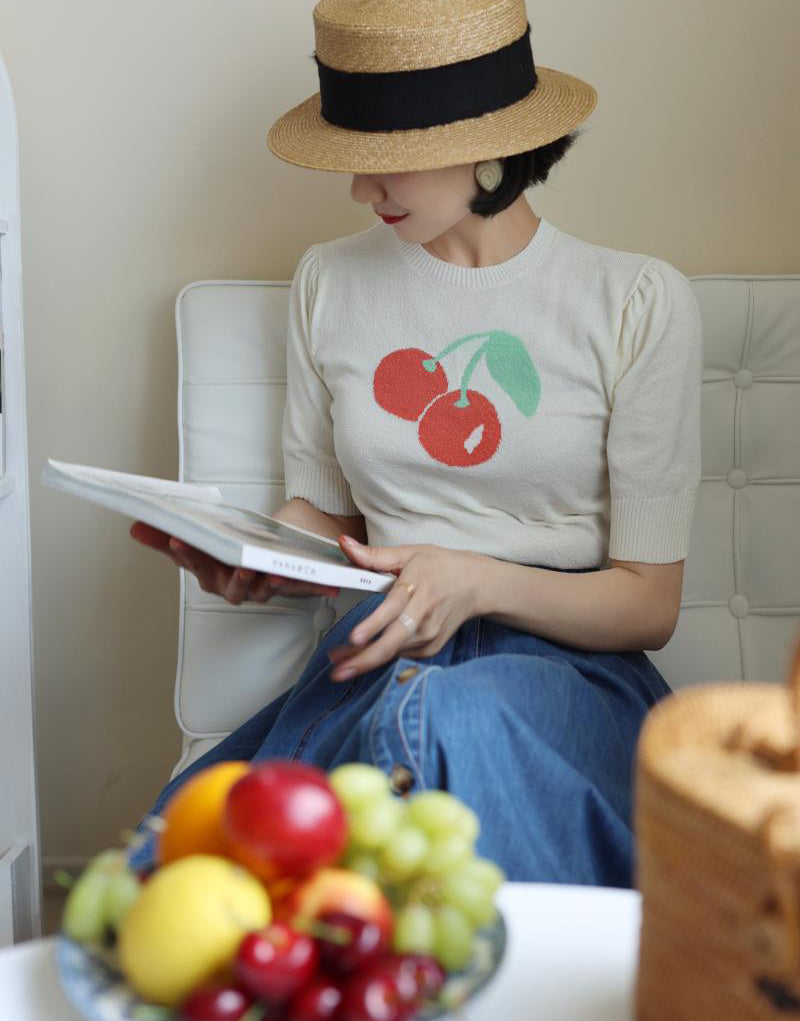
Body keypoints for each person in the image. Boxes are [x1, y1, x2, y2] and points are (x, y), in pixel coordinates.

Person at [130, 0, 702, 886]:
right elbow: (323, 512)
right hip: (379, 646)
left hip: (567, 672)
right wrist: (261, 558)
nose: (362, 191)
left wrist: (474, 580)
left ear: (487, 141)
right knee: (174, 870)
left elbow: (648, 602)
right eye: (353, 161)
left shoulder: (633, 301)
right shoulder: (331, 279)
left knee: (446, 723)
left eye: (383, 158)